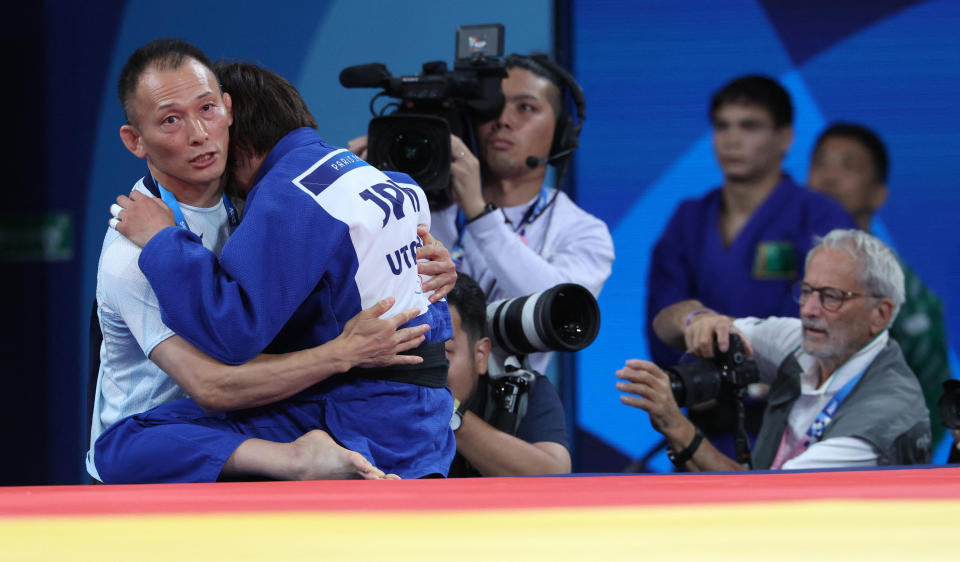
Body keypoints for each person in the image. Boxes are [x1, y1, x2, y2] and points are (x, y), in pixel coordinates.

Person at [89, 39, 450, 482]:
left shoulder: (266, 199)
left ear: (229, 113)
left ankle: (301, 460)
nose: (199, 134)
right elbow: (214, 385)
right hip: (171, 456)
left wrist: (434, 265)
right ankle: (297, 460)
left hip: (315, 417)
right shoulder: (135, 251)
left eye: (206, 110)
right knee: (119, 447)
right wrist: (343, 353)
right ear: (135, 140)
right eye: (170, 120)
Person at [351, 54, 614, 374]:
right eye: (491, 107)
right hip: (409, 387)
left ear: (561, 133)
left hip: (507, 404)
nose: (503, 119)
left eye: (525, 107)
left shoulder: (583, 231)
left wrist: (480, 214)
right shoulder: (422, 209)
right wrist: (357, 197)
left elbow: (559, 311)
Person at [645, 75, 856, 454]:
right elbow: (662, 317)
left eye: (749, 125)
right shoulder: (688, 219)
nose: (732, 139)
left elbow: (845, 318)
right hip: (707, 429)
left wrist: (763, 376)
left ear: (785, 137)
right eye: (722, 126)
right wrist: (700, 374)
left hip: (803, 432)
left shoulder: (820, 216)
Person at [619, 229, 931, 471]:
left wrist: (676, 426)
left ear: (880, 313)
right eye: (806, 291)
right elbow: (665, 325)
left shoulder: (882, 414)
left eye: (831, 296)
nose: (808, 310)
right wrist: (698, 319)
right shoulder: (802, 342)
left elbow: (767, 503)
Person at [807, 122, 952, 443]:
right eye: (820, 164)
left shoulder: (897, 281)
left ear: (878, 195)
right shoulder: (784, 262)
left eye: (848, 166)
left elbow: (931, 383)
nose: (829, 177)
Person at [444, 274, 570, 477]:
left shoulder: (521, 390)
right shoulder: (387, 391)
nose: (424, 364)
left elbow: (554, 474)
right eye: (415, 349)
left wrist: (447, 415)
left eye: (443, 352)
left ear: (480, 355)